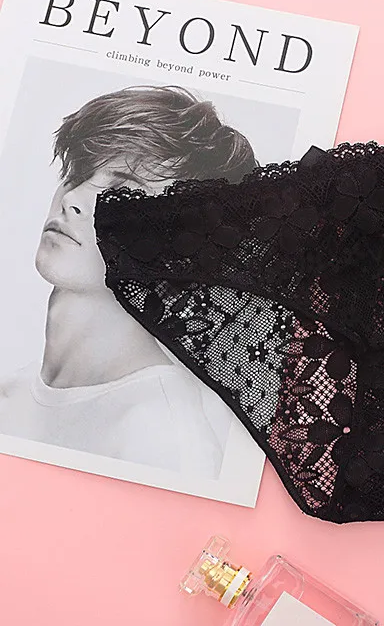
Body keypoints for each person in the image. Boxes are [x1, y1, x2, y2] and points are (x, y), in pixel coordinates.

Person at [0, 86, 257, 477]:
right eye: (79, 173)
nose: (73, 198)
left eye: (120, 195)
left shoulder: (162, 437)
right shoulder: (12, 391)